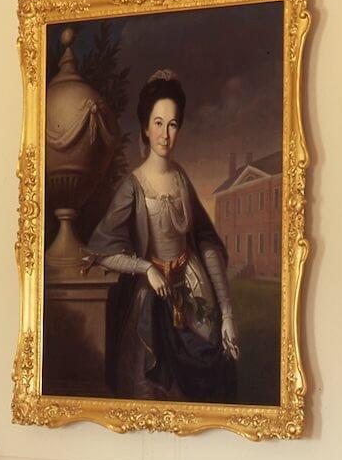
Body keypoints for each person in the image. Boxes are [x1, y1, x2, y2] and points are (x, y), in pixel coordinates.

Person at [83, 70, 239, 402]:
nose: (165, 134)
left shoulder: (182, 179)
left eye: (172, 124)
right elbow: (100, 249)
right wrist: (147, 269)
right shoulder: (133, 186)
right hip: (152, 300)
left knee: (208, 381)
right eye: (158, 123)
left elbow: (207, 243)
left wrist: (226, 313)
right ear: (144, 127)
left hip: (196, 291)